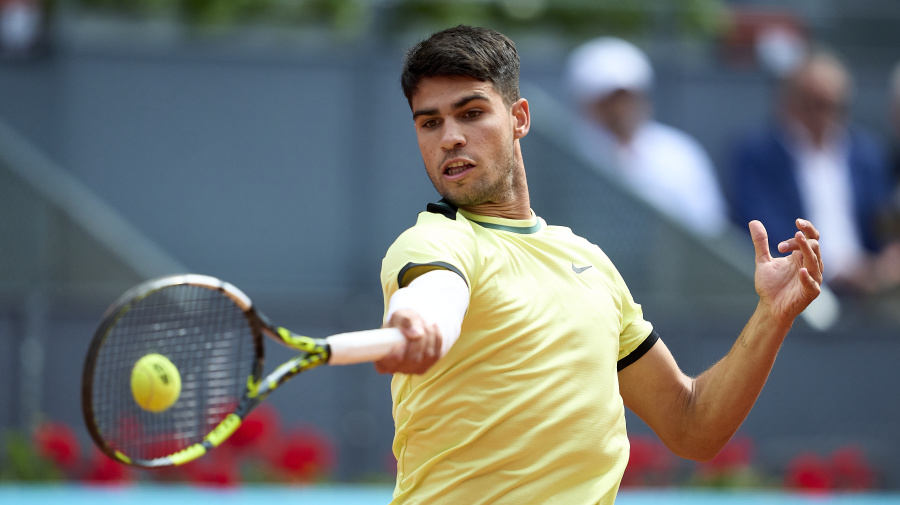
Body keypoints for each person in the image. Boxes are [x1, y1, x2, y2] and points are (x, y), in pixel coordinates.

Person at [376, 25, 822, 504]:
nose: (451, 138)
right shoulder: (430, 243)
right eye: (430, 123)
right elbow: (435, 293)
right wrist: (423, 322)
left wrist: (772, 315)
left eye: (472, 113)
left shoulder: (589, 262)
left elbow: (692, 426)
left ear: (519, 118)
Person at [731, 50, 900, 295]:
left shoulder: (865, 155)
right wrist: (827, 269)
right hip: (796, 288)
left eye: (836, 106)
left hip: (868, 291)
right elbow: (762, 231)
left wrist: (884, 261)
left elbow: (883, 220)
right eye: (816, 104)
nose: (825, 116)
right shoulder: (758, 157)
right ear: (790, 102)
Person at [564, 37, 728, 237]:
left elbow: (708, 228)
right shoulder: (563, 154)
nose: (620, 109)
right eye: (608, 99)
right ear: (585, 103)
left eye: (628, 97)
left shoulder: (680, 154)